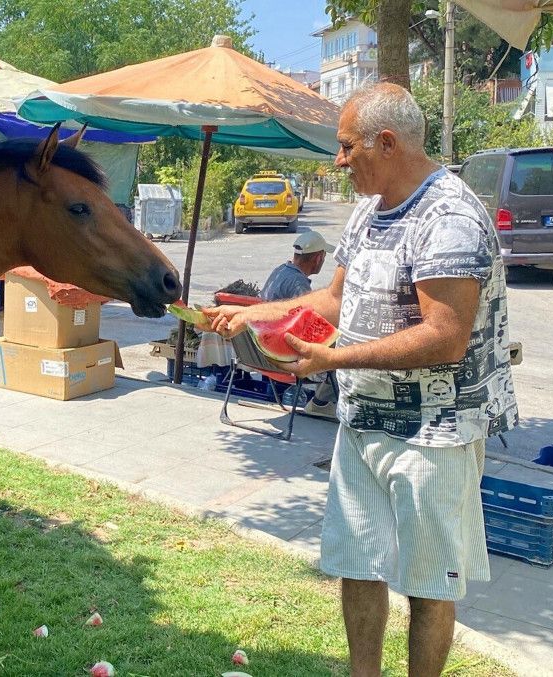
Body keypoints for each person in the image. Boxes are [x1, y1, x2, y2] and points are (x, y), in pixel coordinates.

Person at [201, 83, 517, 677]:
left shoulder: (449, 216)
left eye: (347, 147)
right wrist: (253, 314)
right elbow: (334, 298)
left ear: (388, 142)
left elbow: (444, 337)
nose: (338, 160)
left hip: (434, 434)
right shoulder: (370, 209)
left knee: (429, 581)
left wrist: (333, 361)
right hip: (363, 422)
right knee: (359, 564)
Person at [259, 230, 339, 420]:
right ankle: (320, 403)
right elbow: (311, 320)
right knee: (342, 350)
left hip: (259, 352)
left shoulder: (280, 271)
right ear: (319, 258)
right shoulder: (298, 284)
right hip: (284, 355)